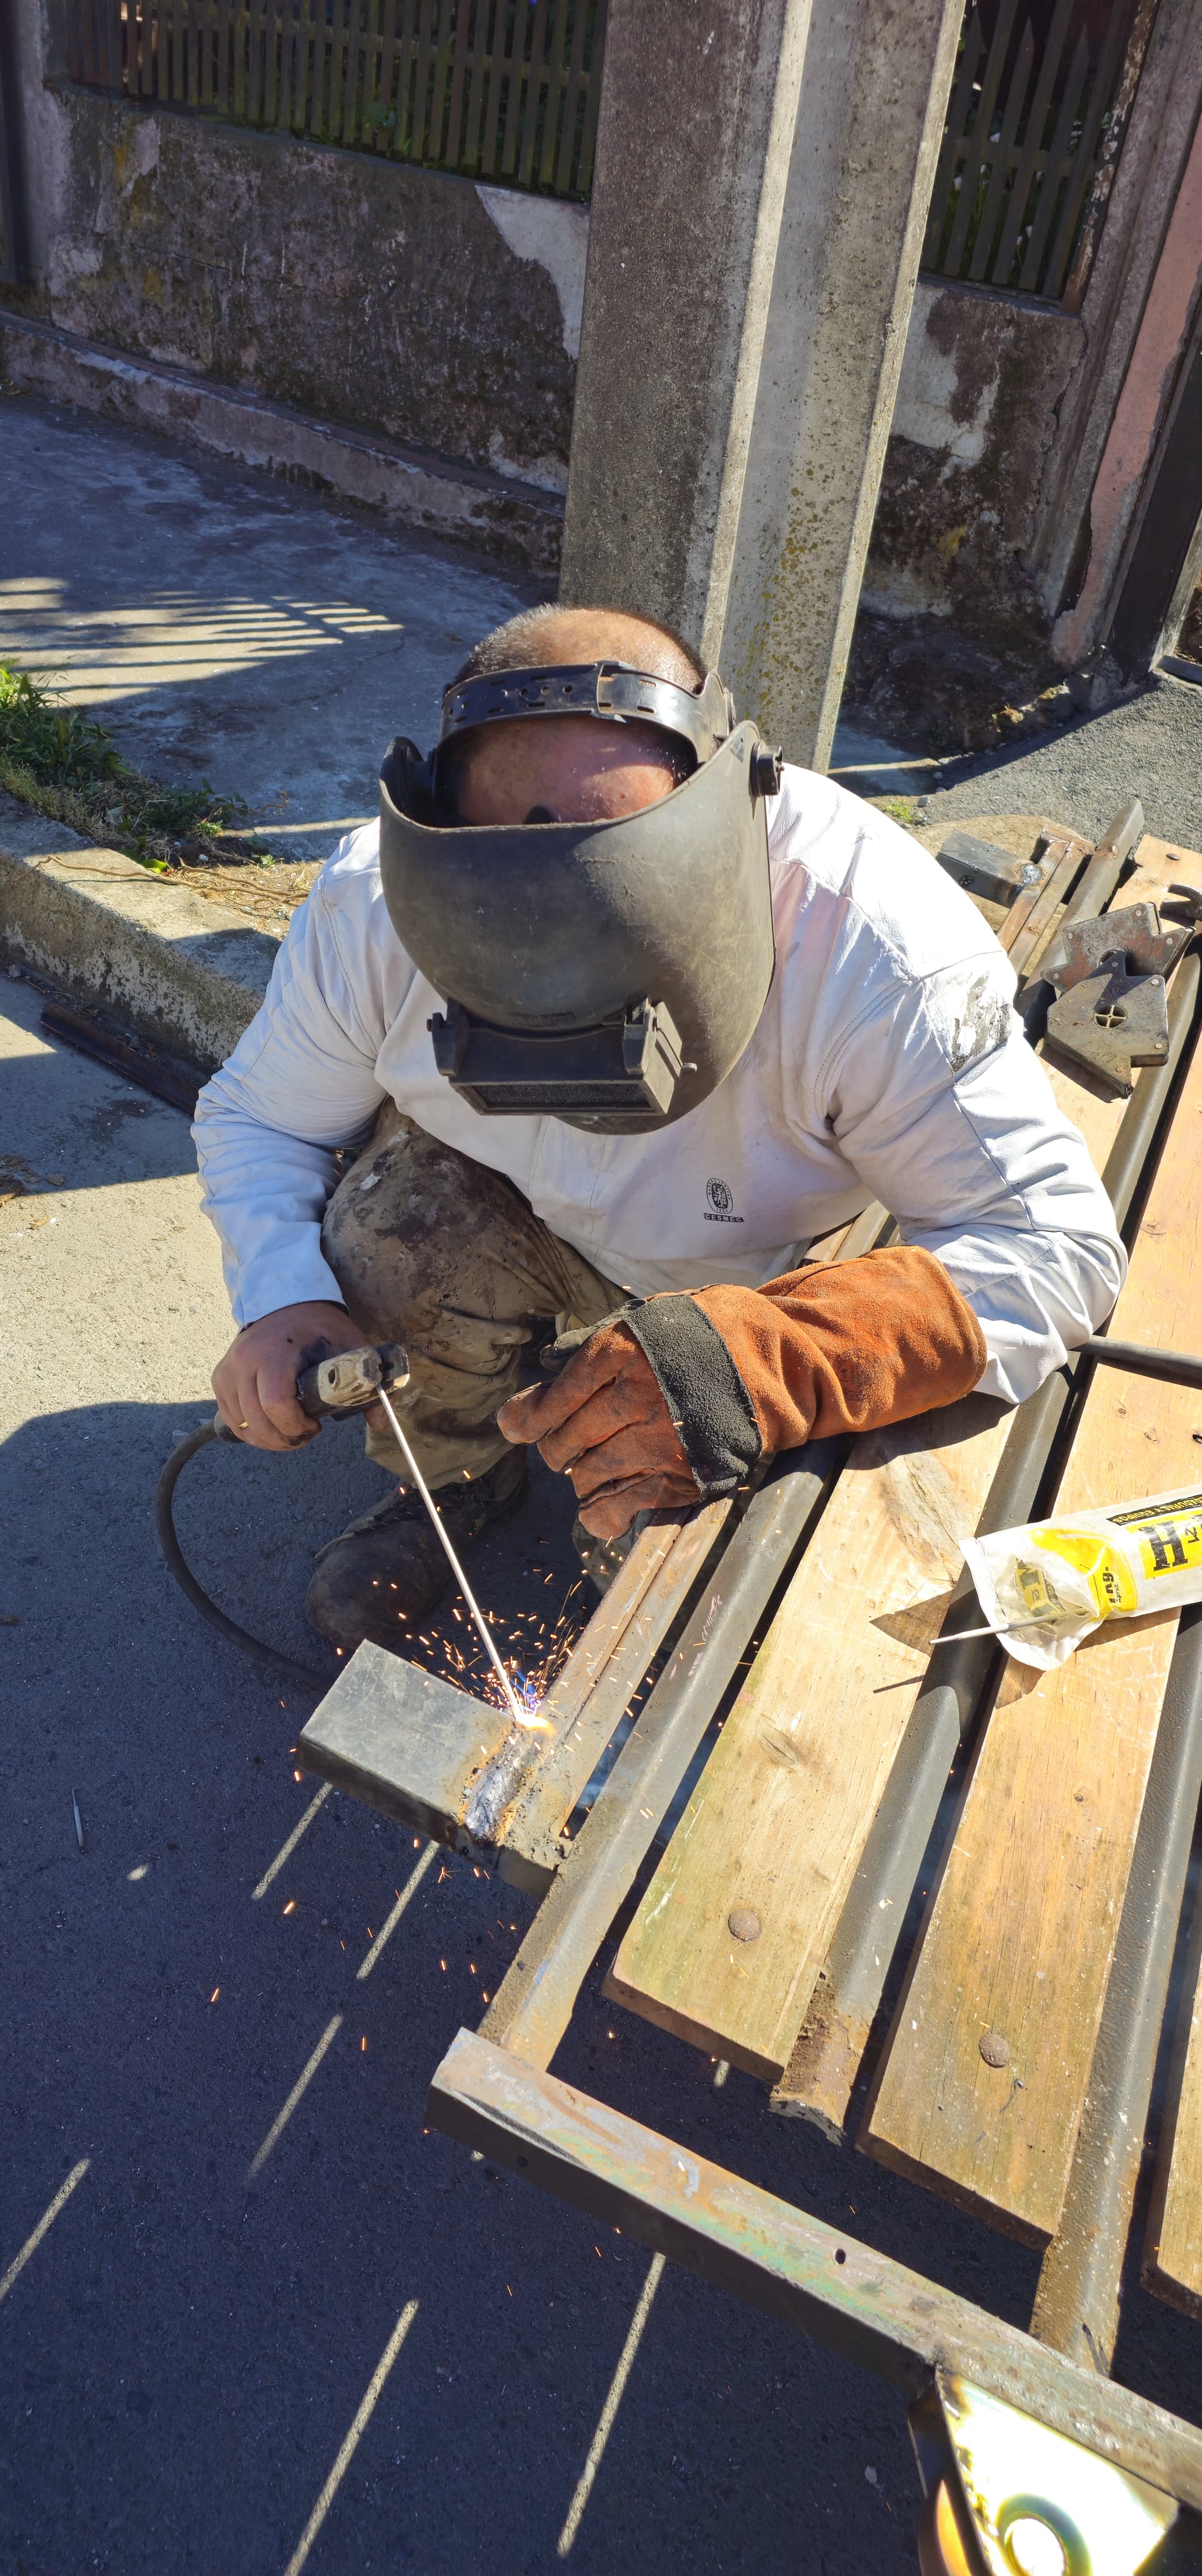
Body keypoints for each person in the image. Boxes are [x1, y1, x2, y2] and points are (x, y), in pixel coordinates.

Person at [193, 603, 1124, 1653]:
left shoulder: (876, 949)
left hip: (760, 1270)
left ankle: (643, 1586)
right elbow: (258, 1117)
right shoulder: (377, 905)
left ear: (732, 807)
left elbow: (1059, 1251)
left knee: (691, 1537)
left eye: (610, 912)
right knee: (380, 1241)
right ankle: (453, 1479)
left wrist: (775, 1358)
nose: (566, 976)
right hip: (512, 1211)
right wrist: (281, 1297)